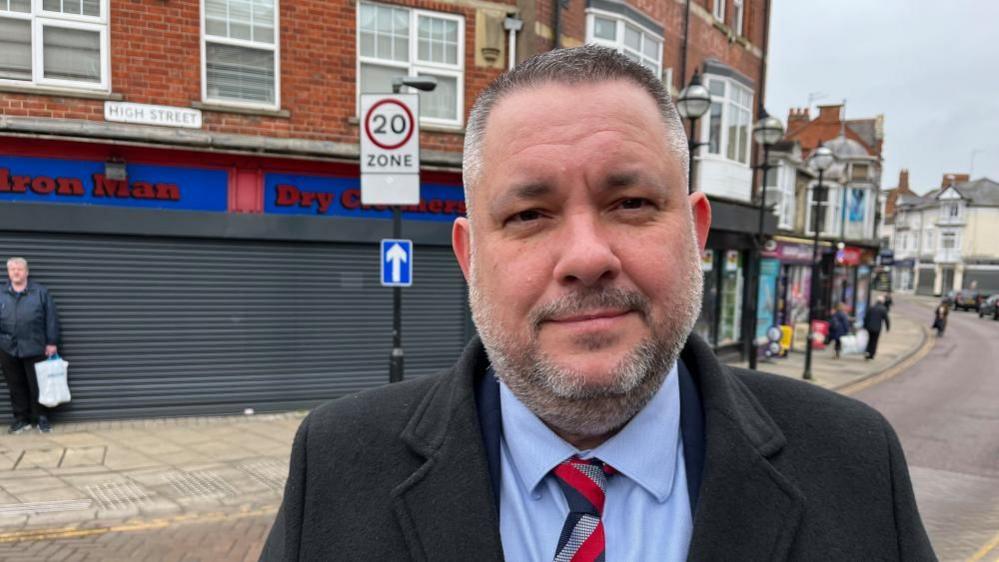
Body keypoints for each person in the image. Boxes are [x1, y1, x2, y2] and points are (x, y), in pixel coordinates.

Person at [261, 46, 932, 561]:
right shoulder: (337, 463)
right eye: (528, 213)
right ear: (470, 260)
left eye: (631, 203)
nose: (585, 256)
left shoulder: (855, 461)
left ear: (694, 234)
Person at [1, 257, 60, 434]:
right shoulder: (2, 292)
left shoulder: (40, 292)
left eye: (19, 269)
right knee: (15, 385)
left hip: (35, 346)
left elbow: (51, 318)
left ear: (27, 272)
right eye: (12, 269)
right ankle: (21, 419)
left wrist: (51, 342)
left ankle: (41, 418)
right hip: (8, 348)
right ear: (8, 273)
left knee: (38, 384)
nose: (16, 272)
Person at [864, 296, 891, 360]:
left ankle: (867, 351)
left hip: (869, 327)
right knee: (874, 341)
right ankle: (872, 354)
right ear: (882, 302)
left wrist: (865, 326)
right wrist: (888, 328)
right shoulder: (883, 309)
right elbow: (886, 319)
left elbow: (866, 317)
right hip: (877, 328)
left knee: (870, 339)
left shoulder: (871, 307)